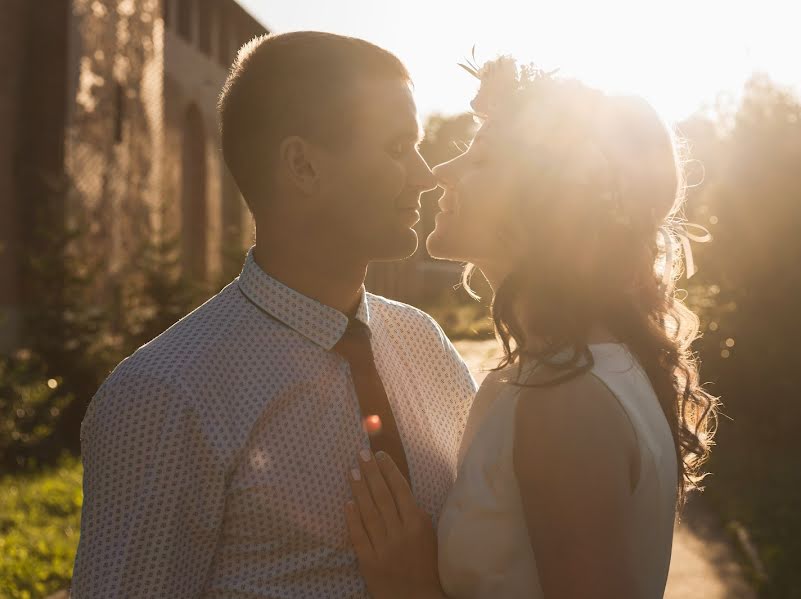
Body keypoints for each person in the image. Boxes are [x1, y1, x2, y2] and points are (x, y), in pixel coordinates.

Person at [70, 32, 476, 598]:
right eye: (396, 147)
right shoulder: (164, 396)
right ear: (304, 166)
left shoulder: (424, 344)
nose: (426, 174)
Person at [343, 56, 718, 599]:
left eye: (483, 159)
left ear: (550, 202)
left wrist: (414, 589)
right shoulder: (574, 372)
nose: (441, 173)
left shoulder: (566, 401)